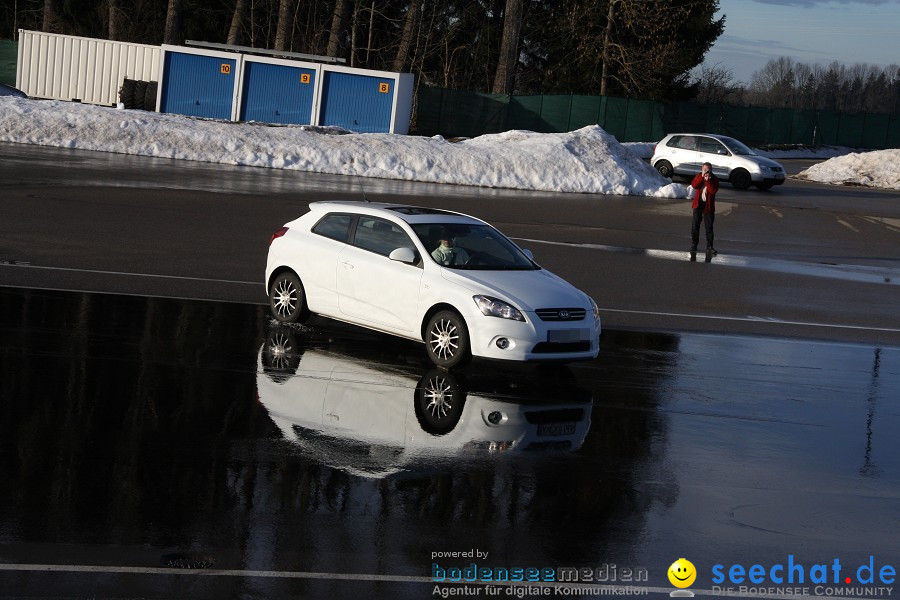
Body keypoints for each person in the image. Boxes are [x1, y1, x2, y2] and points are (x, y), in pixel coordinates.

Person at [690, 162, 719, 262]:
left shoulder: (714, 179)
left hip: (708, 206)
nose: (706, 172)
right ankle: (694, 245)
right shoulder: (699, 176)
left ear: (711, 170)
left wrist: (708, 181)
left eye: (708, 170)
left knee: (709, 227)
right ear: (702, 169)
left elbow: (713, 191)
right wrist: (702, 178)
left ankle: (709, 247)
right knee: (695, 226)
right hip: (698, 204)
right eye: (705, 170)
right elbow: (694, 185)